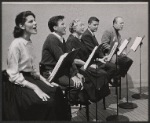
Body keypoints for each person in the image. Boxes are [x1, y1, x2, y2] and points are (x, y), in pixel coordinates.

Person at [4, 11, 69, 121]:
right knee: (47, 102)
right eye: (31, 21)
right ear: (21, 26)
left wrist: (46, 82)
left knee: (56, 91)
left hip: (29, 77)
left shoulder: (28, 42)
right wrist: (36, 88)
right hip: (17, 83)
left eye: (35, 20)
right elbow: (13, 75)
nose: (35, 23)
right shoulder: (16, 44)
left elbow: (32, 70)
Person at [40, 15, 88, 104]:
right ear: (55, 27)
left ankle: (68, 102)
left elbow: (70, 59)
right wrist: (73, 76)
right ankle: (65, 104)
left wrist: (76, 73)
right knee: (76, 85)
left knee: (82, 79)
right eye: (62, 24)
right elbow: (63, 60)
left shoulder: (61, 39)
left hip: (60, 71)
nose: (65, 26)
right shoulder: (52, 39)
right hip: (51, 73)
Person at [66, 19, 110, 102]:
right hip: (79, 68)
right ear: (74, 28)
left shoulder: (80, 39)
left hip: (85, 65)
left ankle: (95, 95)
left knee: (104, 72)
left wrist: (97, 59)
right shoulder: (71, 40)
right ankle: (89, 96)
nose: (83, 27)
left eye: (83, 25)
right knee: (102, 74)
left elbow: (87, 55)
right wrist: (89, 64)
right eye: (81, 25)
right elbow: (73, 60)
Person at [81, 17, 118, 85]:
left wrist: (104, 56)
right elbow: (92, 50)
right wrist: (102, 58)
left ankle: (104, 83)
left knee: (113, 67)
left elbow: (97, 48)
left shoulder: (91, 34)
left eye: (97, 25)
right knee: (113, 67)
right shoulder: (86, 35)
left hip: (96, 59)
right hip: (90, 62)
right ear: (89, 24)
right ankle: (103, 83)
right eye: (94, 25)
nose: (96, 27)